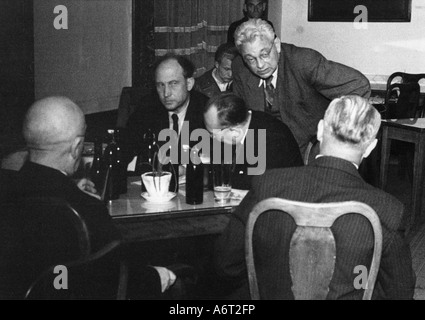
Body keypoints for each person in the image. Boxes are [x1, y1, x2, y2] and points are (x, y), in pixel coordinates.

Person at [214, 95, 415, 300]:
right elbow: (399, 291)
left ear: (320, 130)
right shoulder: (387, 209)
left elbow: (226, 264)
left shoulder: (267, 185)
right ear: (371, 147)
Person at [0, 96, 177, 299]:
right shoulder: (84, 208)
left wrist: (70, 187)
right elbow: (113, 276)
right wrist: (157, 276)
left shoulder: (7, 189)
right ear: (77, 147)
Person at [232, 19, 371, 156]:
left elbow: (358, 84)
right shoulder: (239, 67)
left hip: (307, 150)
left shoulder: (304, 61)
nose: (260, 65)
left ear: (277, 44)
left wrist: (331, 135)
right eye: (250, 59)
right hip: (265, 149)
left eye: (264, 54)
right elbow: (241, 115)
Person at [125, 55, 209, 183]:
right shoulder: (146, 109)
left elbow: (220, 160)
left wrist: (186, 169)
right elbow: (127, 149)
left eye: (173, 83)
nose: (166, 93)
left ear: (189, 83)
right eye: (160, 85)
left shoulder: (207, 111)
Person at [203, 93, 303, 190]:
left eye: (213, 134)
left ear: (235, 131)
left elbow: (253, 185)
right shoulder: (242, 122)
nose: (211, 138)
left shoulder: (272, 139)